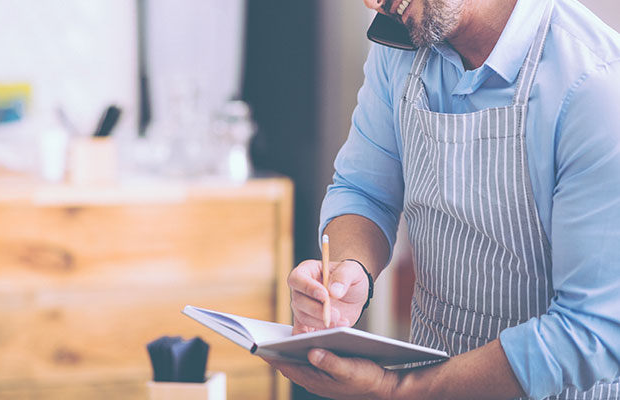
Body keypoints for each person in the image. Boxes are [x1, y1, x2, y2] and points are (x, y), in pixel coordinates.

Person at [265, 0, 620, 398]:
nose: (370, 2)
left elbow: (590, 331)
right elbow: (364, 190)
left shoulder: (597, 84)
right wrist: (350, 272)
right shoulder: (402, 42)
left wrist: (397, 390)